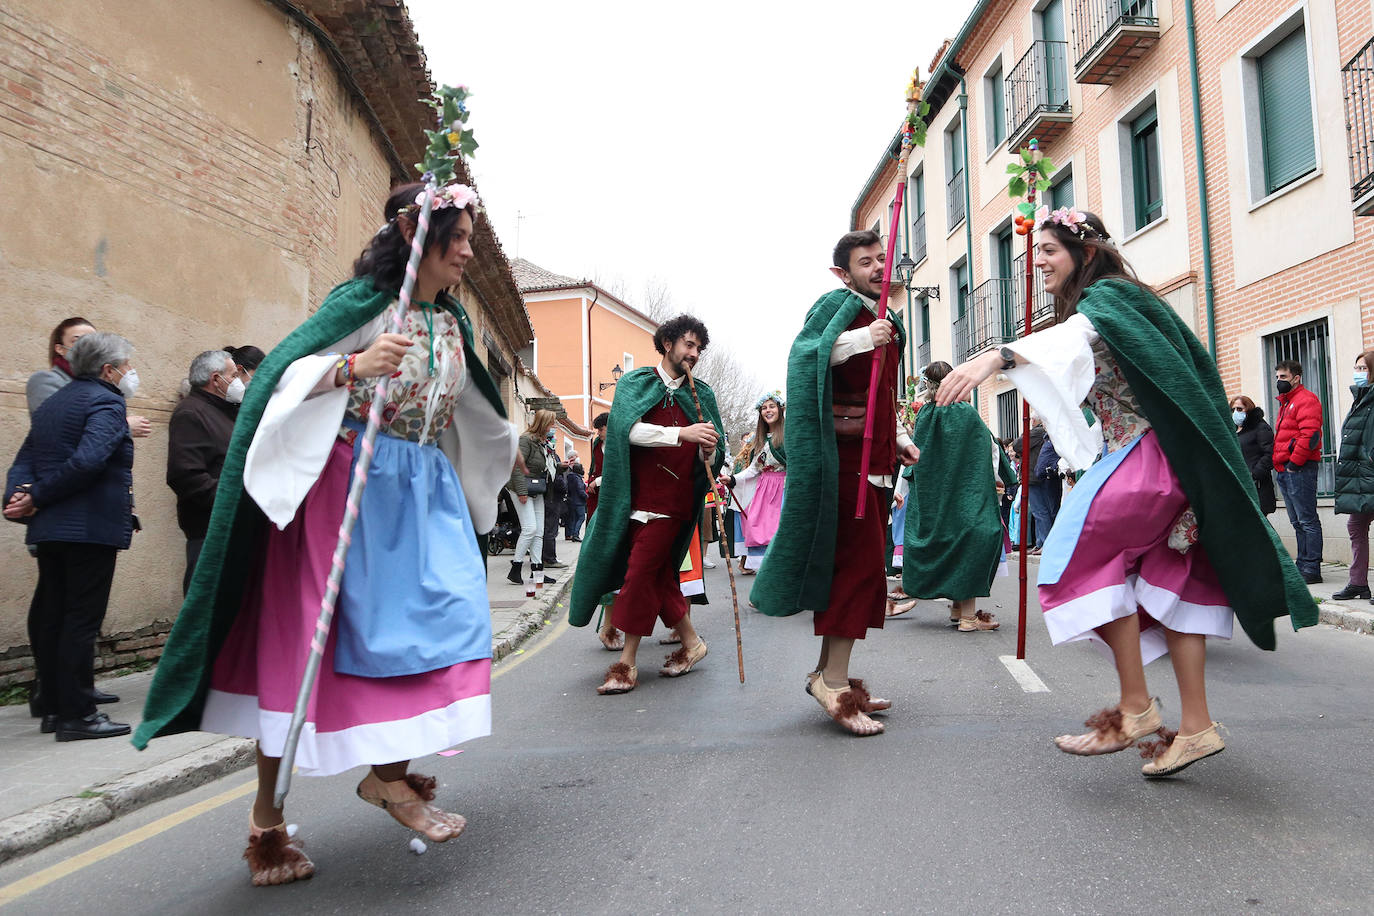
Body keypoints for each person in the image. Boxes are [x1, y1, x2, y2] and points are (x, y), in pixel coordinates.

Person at [135, 180, 517, 886]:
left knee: (444, 628)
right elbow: (273, 381)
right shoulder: (365, 308)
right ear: (416, 238)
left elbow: (469, 408)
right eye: (456, 237)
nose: (467, 251)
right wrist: (349, 367)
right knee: (313, 655)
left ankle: (387, 776)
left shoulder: (453, 324)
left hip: (421, 495)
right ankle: (269, 826)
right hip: (350, 493)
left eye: (467, 237)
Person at [935, 208, 1317, 777]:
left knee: (1071, 560)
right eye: (1035, 250)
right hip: (1169, 460)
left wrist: (998, 355)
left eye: (1049, 250)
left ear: (1085, 253)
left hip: (1148, 456)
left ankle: (1136, 707)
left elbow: (1082, 336)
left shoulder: (1109, 301)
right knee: (1178, 585)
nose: (1037, 261)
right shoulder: (1128, 300)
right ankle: (1197, 727)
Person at [751, 229, 921, 737]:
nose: (875, 268)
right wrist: (860, 340)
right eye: (865, 262)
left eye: (880, 259)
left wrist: (900, 435)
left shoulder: (887, 320)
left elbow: (882, 395)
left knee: (861, 569)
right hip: (841, 460)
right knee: (858, 571)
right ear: (843, 274)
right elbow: (806, 358)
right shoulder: (837, 307)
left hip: (876, 459)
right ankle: (835, 683)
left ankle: (829, 675)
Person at [568, 314, 725, 695]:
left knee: (638, 574)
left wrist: (709, 448)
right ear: (668, 343)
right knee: (656, 576)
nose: (695, 353)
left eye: (699, 348)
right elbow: (626, 431)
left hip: (672, 503)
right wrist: (680, 433)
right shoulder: (635, 384)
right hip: (630, 499)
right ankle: (692, 643)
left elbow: (714, 455)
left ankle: (627, 662)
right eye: (689, 345)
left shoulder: (700, 395)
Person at [6, 332, 139, 740]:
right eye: (127, 366)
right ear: (108, 370)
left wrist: (20, 495)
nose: (131, 374)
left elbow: (25, 458)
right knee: (80, 621)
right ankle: (78, 715)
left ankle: (54, 709)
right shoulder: (107, 401)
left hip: (51, 528)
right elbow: (89, 460)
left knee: (55, 617)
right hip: (88, 528)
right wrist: (36, 496)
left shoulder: (55, 402)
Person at [900, 361, 1016, 631]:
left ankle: (956, 608)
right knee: (975, 543)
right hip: (968, 493)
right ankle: (968, 616)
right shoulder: (966, 413)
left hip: (936, 498)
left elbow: (916, 456)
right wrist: (1008, 480)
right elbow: (991, 450)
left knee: (955, 543)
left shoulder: (925, 415)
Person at [166, 350, 242, 594]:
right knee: (205, 601)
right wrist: (233, 499)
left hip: (230, 524)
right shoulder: (191, 413)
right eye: (234, 374)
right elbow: (185, 476)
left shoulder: (224, 411)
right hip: (209, 528)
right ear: (216, 379)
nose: (239, 380)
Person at [28, 317, 152, 437]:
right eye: (77, 341)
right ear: (59, 349)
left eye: (91, 342)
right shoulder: (45, 380)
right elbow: (57, 428)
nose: (85, 348)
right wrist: (124, 427)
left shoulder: (99, 383)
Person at [718, 391, 786, 574]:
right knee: (759, 531)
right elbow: (754, 469)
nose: (768, 410)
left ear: (780, 409)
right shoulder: (760, 440)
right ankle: (766, 587)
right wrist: (732, 479)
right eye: (764, 408)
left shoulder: (789, 434)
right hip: (764, 490)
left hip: (784, 489)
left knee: (780, 534)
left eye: (772, 406)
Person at [1272, 359, 1325, 584]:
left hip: (1299, 469)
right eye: (1277, 378)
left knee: (1307, 520)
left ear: (1296, 377)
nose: (1278, 381)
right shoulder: (1287, 403)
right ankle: (1302, 564)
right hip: (1285, 469)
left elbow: (1310, 435)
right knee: (1297, 522)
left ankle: (1311, 569)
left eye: (1283, 377)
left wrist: (1294, 464)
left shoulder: (1306, 400)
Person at [1332, 351, 1374, 600]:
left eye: (1363, 369)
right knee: (1356, 525)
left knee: (1357, 525)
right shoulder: (1360, 398)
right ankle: (1358, 583)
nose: (1358, 373)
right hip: (1361, 476)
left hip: (1370, 471)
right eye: (1356, 368)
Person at [505, 410, 557, 587]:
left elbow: (541, 466)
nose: (553, 427)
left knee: (539, 532)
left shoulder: (543, 442)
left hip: (537, 488)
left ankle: (538, 572)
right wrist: (521, 491)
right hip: (521, 488)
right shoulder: (526, 440)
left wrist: (560, 467)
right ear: (543, 423)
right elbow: (516, 466)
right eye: (551, 423)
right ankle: (516, 569)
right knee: (530, 529)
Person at [1230, 395, 1276, 516]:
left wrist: (1254, 474)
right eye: (1233, 410)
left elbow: (1270, 454)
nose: (1235, 413)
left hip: (1257, 486)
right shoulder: (1232, 431)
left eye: (1239, 409)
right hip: (1238, 487)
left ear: (1248, 409)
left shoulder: (1260, 427)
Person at [542, 429, 569, 570]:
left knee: (548, 528)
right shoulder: (549, 455)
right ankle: (549, 559)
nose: (555, 441)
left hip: (550, 496)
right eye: (553, 438)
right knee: (550, 529)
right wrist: (564, 488)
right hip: (552, 497)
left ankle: (546, 557)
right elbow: (555, 478)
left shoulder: (550, 455)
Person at [565, 462, 587, 541]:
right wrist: (586, 497)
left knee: (574, 518)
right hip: (579, 501)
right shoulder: (578, 478)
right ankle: (575, 534)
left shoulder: (570, 477)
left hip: (572, 500)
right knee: (581, 517)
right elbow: (580, 490)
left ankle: (573, 533)